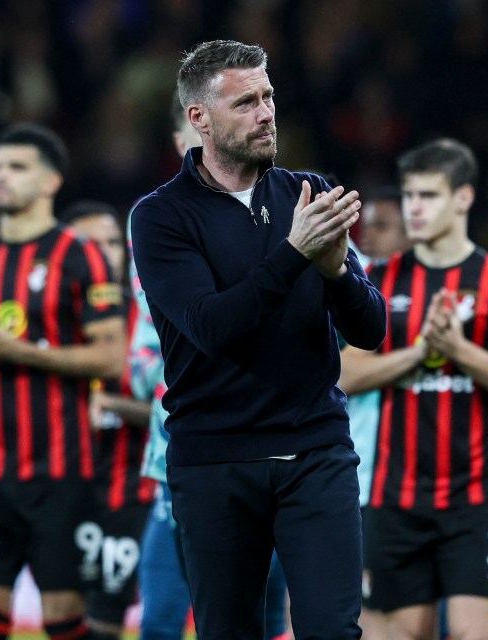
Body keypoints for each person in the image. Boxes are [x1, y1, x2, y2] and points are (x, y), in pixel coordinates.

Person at [130, 40, 386, 639]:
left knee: (332, 631)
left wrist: (336, 273)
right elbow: (213, 328)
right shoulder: (161, 216)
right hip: (215, 459)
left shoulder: (307, 191)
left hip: (315, 451)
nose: (266, 112)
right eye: (246, 102)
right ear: (201, 119)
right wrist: (297, 254)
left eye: (268, 97)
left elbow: (370, 329)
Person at [340, 138, 488, 640]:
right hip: (394, 499)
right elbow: (345, 374)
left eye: (428, 196)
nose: (414, 208)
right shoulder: (379, 281)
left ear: (463, 199)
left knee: (473, 634)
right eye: (410, 196)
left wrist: (459, 350)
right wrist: (418, 355)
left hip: (473, 500)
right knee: (403, 633)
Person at [0, 123, 127, 640]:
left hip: (61, 469)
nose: (1, 177)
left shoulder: (79, 255)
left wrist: (18, 351)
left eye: (17, 167)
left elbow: (111, 359)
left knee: (63, 619)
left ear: (50, 181)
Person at [132, 91, 291, 640]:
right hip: (178, 470)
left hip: (267, 459)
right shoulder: (155, 243)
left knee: (264, 619)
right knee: (159, 622)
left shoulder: (283, 226)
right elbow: (139, 363)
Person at [61, 199, 156, 639]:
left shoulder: (151, 314)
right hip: (57, 492)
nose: (104, 253)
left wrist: (114, 408)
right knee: (61, 615)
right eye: (89, 244)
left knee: (105, 620)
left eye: (114, 243)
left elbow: (173, 408)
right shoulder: (48, 316)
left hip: (130, 495)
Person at [338, 186, 410, 640]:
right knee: (366, 613)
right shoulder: (357, 290)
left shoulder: (434, 292)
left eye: (382, 227)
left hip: (421, 481)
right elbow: (342, 372)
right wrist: (420, 356)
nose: (367, 238)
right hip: (365, 478)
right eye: (365, 227)